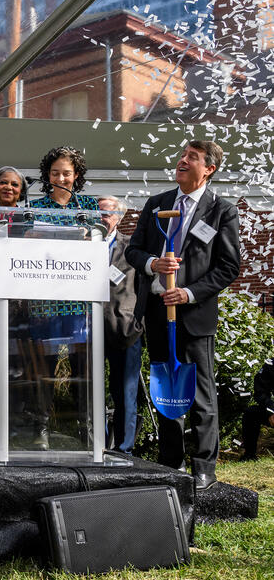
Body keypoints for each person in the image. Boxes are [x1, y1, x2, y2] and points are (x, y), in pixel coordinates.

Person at [126, 139, 240, 490]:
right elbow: (134, 250)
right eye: (182, 155)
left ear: (209, 169)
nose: (183, 160)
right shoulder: (157, 204)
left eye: (193, 158)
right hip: (159, 312)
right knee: (166, 389)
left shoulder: (221, 210)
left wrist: (189, 292)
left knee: (201, 393)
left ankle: (204, 466)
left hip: (193, 316)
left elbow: (228, 266)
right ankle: (170, 461)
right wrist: (151, 263)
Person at [28, 146, 99, 450]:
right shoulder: (34, 207)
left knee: (83, 366)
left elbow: (102, 242)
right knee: (44, 366)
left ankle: (88, 427)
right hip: (46, 299)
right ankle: (41, 426)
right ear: (47, 176)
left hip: (81, 301)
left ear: (77, 176)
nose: (60, 178)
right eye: (55, 173)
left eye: (66, 173)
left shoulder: (89, 206)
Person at [97, 195, 142, 453]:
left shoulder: (132, 247)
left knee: (125, 392)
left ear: (119, 217)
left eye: (106, 213)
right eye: (98, 213)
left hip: (125, 329)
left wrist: (139, 323)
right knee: (94, 393)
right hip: (91, 329)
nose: (101, 218)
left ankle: (124, 448)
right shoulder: (84, 245)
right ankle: (99, 446)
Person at [241, 358, 274, 461]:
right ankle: (249, 455)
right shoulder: (270, 365)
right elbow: (260, 393)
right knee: (251, 413)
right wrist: (271, 410)